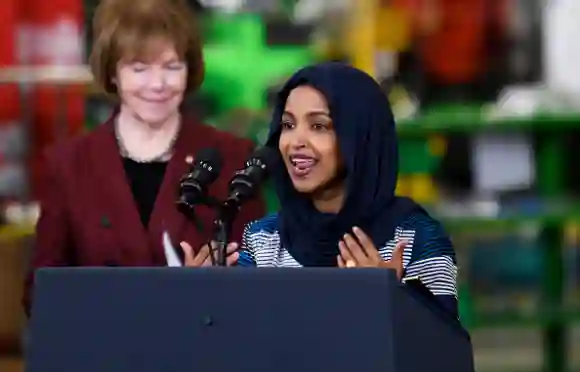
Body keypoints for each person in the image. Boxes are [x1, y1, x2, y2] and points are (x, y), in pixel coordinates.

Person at [22, 0, 265, 316]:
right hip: (105, 354)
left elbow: (261, 284)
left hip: (202, 354)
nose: (158, 84)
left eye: (172, 66)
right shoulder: (68, 165)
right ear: (112, 73)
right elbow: (41, 294)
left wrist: (208, 288)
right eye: (139, 68)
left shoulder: (231, 157)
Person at [183, 62, 459, 317]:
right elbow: (240, 347)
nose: (295, 142)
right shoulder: (264, 241)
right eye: (288, 125)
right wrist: (200, 303)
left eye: (318, 126)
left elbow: (443, 354)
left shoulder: (415, 238)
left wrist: (390, 300)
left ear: (360, 137)